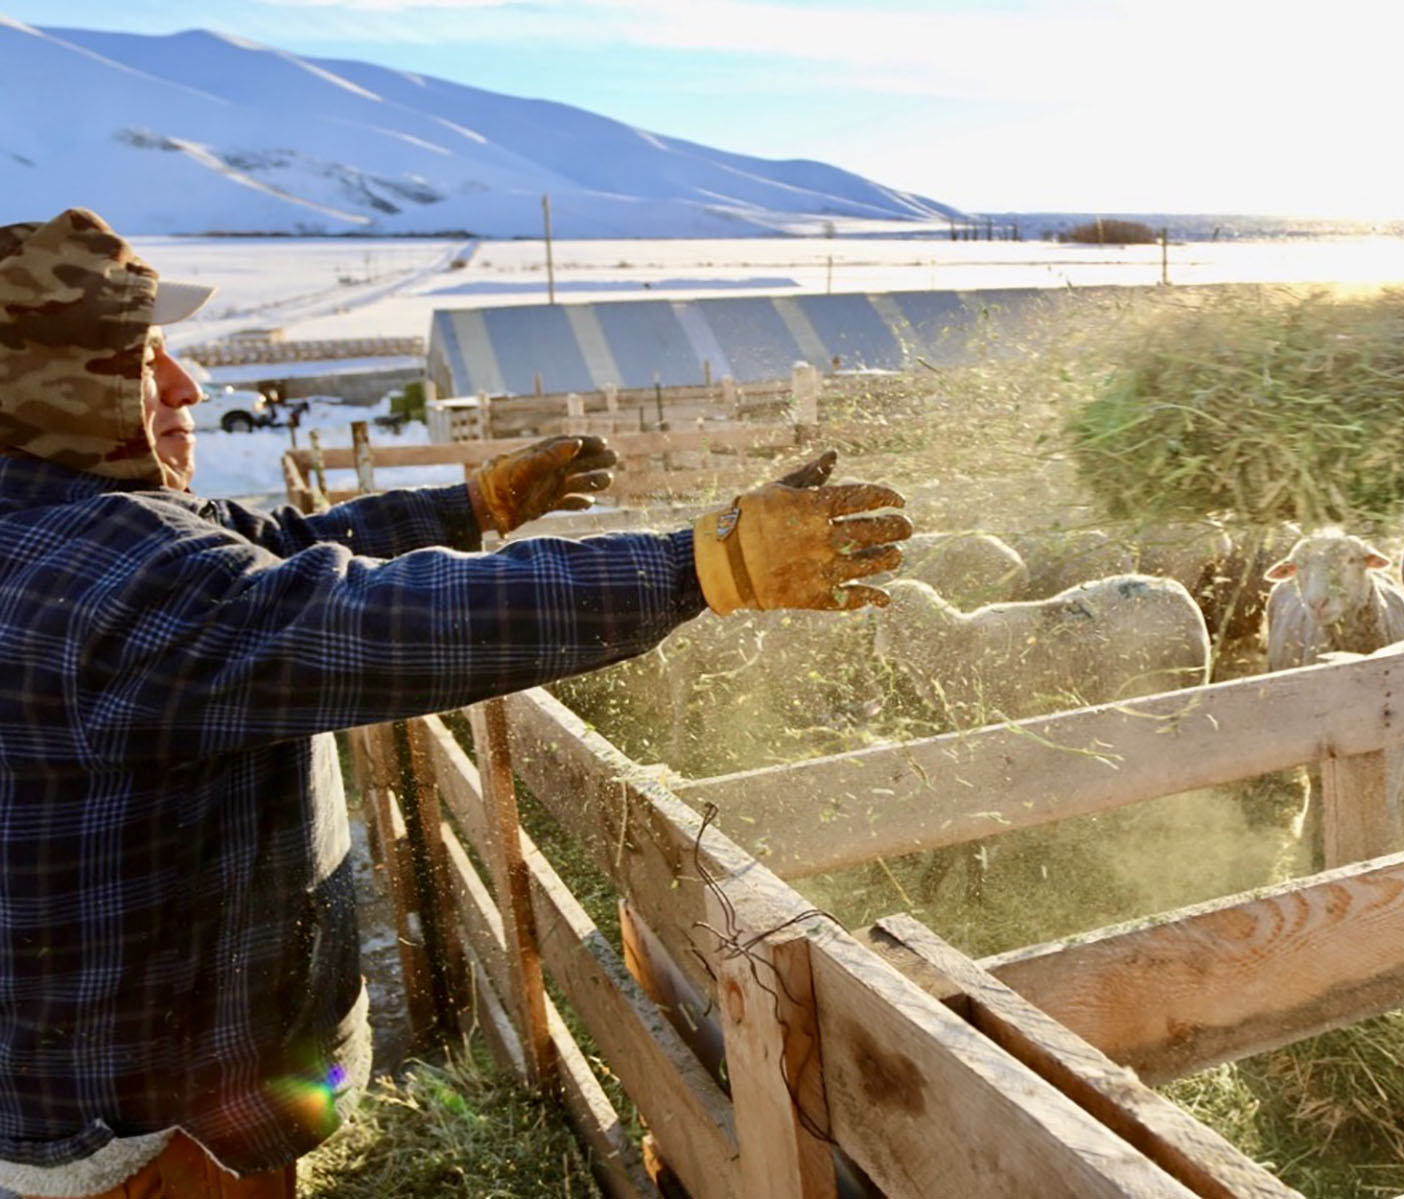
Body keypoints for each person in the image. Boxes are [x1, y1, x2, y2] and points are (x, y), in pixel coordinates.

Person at [0, 208, 911, 1199]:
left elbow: (271, 539)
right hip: (149, 1135)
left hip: (169, 1069)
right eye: (140, 363)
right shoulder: (78, 586)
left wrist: (467, 508)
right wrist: (703, 565)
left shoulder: (67, 526)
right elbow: (375, 623)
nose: (187, 387)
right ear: (44, 389)